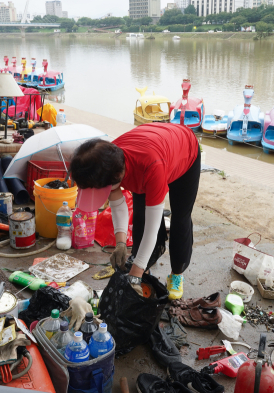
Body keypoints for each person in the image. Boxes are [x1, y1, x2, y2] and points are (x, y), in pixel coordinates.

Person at [70, 123, 201, 300]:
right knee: (141, 217)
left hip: (184, 152)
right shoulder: (106, 161)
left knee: (180, 219)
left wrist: (135, 273)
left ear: (116, 178)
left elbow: (152, 228)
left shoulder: (151, 167)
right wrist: (121, 243)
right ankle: (145, 265)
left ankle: (176, 273)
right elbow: (117, 205)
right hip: (154, 149)